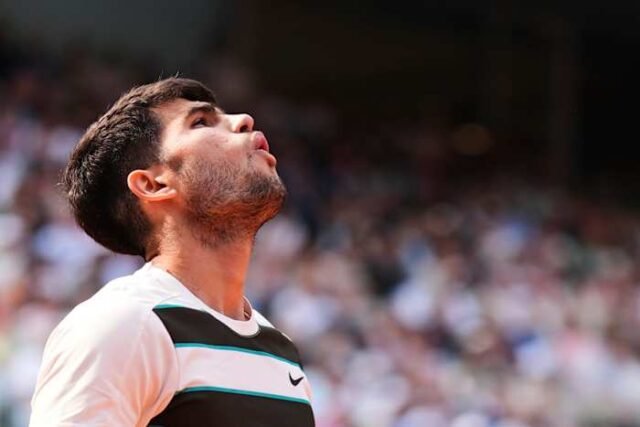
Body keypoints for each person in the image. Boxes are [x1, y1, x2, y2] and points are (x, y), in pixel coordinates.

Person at [29, 78, 315, 426]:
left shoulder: (281, 350)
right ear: (154, 184)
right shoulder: (125, 323)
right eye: (201, 122)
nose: (243, 120)